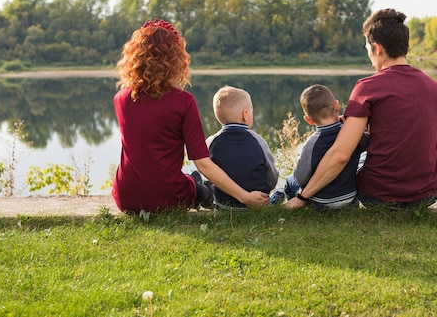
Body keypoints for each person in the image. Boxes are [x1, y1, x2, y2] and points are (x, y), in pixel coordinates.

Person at [285, 9, 437, 221]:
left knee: (350, 154)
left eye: (368, 49)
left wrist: (302, 197)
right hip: (425, 197)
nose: (369, 56)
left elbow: (340, 155)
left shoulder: (367, 87)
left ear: (377, 49)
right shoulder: (436, 88)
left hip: (376, 197)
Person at [112, 19, 269, 213]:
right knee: (197, 187)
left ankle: (194, 184)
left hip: (127, 198)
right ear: (175, 59)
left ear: (134, 57)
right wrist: (245, 197)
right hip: (167, 198)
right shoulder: (183, 101)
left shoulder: (120, 99)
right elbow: (203, 163)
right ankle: (200, 190)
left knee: (188, 180)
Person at [284, 84, 367, 209]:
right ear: (337, 106)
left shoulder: (311, 143)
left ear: (308, 120)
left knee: (290, 181)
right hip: (350, 198)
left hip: (323, 202)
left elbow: (301, 178)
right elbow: (367, 144)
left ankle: (294, 206)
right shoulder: (353, 136)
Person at [206, 86, 280, 210]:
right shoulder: (258, 140)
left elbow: (209, 173)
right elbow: (271, 175)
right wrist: (268, 188)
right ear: (245, 114)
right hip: (258, 202)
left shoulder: (210, 142)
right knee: (279, 194)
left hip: (224, 205)